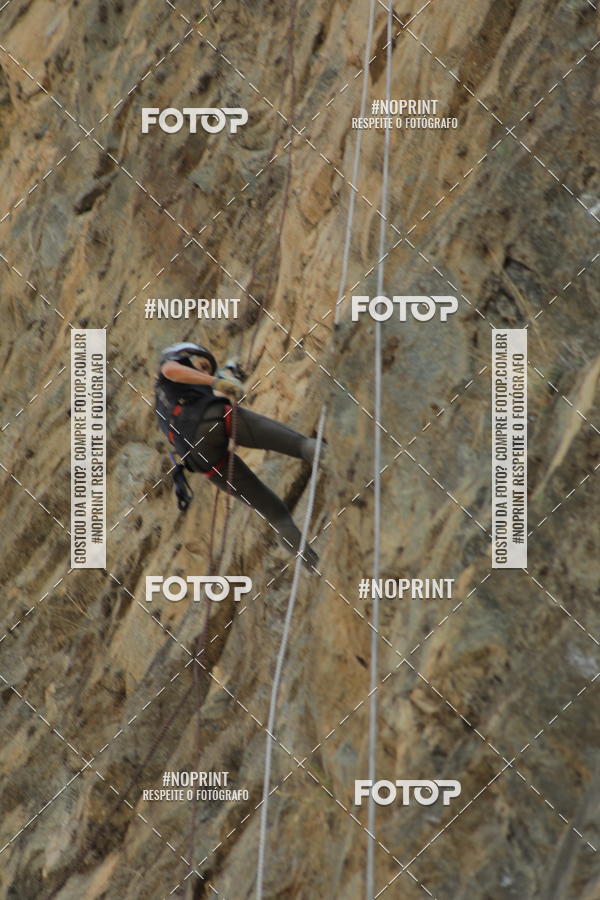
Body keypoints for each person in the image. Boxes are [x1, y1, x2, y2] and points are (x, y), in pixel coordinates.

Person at [155, 342, 321, 568]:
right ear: (184, 355)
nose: (204, 372)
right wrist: (216, 381)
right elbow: (171, 370)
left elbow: (204, 389)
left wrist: (225, 378)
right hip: (211, 419)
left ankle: (315, 568)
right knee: (300, 445)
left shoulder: (163, 402)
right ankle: (348, 465)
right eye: (202, 365)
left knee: (276, 514)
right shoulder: (173, 365)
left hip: (198, 457)